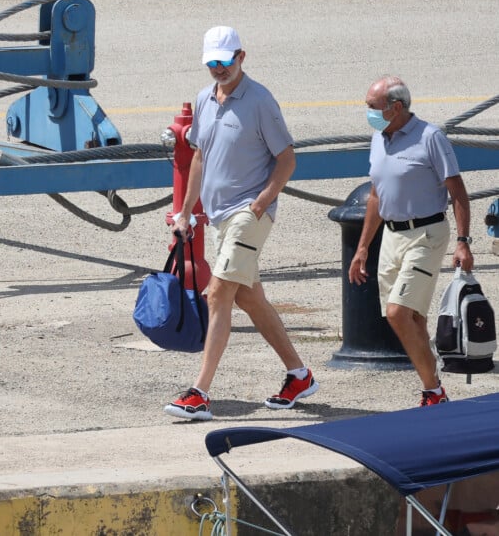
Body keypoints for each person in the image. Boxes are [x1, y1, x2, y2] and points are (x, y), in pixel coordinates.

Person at [164, 26, 318, 421]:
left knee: (218, 295)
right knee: (249, 297)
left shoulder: (260, 101)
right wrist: (185, 210)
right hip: (218, 217)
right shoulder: (204, 99)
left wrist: (261, 203)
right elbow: (199, 157)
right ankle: (299, 375)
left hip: (248, 214)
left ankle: (199, 393)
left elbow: (287, 159)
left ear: (241, 57)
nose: (218, 68)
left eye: (225, 61)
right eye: (212, 62)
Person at [349, 76, 474, 407]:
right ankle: (434, 389)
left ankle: (433, 390)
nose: (368, 112)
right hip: (392, 235)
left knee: (397, 313)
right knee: (414, 318)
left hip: (427, 234)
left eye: (373, 106)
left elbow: (458, 192)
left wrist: (463, 241)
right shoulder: (378, 139)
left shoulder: (430, 138)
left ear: (396, 107)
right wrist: (363, 247)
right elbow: (376, 195)